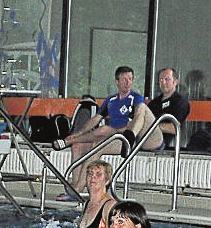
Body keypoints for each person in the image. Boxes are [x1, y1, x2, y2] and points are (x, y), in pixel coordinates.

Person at [52, 66, 146, 198]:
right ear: (117, 82)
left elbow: (136, 123)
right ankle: (74, 184)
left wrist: (114, 131)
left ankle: (77, 190)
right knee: (78, 146)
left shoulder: (136, 99)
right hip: (108, 136)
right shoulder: (111, 100)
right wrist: (79, 132)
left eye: (130, 79)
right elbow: (96, 119)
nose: (128, 82)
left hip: (125, 140)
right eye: (124, 79)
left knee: (99, 141)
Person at [141, 67, 191, 150]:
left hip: (165, 145)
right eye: (161, 79)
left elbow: (174, 128)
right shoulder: (154, 103)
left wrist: (152, 127)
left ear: (175, 81)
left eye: (167, 79)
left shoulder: (181, 102)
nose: (163, 82)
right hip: (144, 139)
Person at [73, 160, 117, 228]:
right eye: (90, 174)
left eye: (98, 174)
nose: (93, 177)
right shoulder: (88, 203)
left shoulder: (109, 206)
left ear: (107, 180)